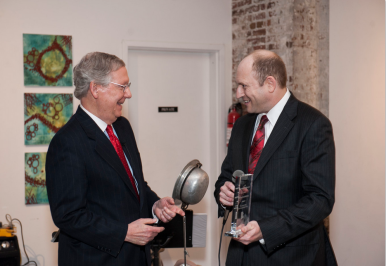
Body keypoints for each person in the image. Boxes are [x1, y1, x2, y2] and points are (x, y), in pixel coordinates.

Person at [46, 52, 184, 266]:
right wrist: (124, 232)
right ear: (95, 89)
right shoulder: (67, 142)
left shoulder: (123, 127)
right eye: (122, 86)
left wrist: (154, 203)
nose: (128, 94)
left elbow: (134, 185)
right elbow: (68, 216)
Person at [214, 50, 337, 265]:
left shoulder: (312, 124)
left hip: (291, 257)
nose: (238, 93)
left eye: (244, 85)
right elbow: (226, 176)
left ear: (270, 84)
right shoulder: (242, 126)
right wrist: (223, 193)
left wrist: (265, 229)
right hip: (240, 257)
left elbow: (320, 200)